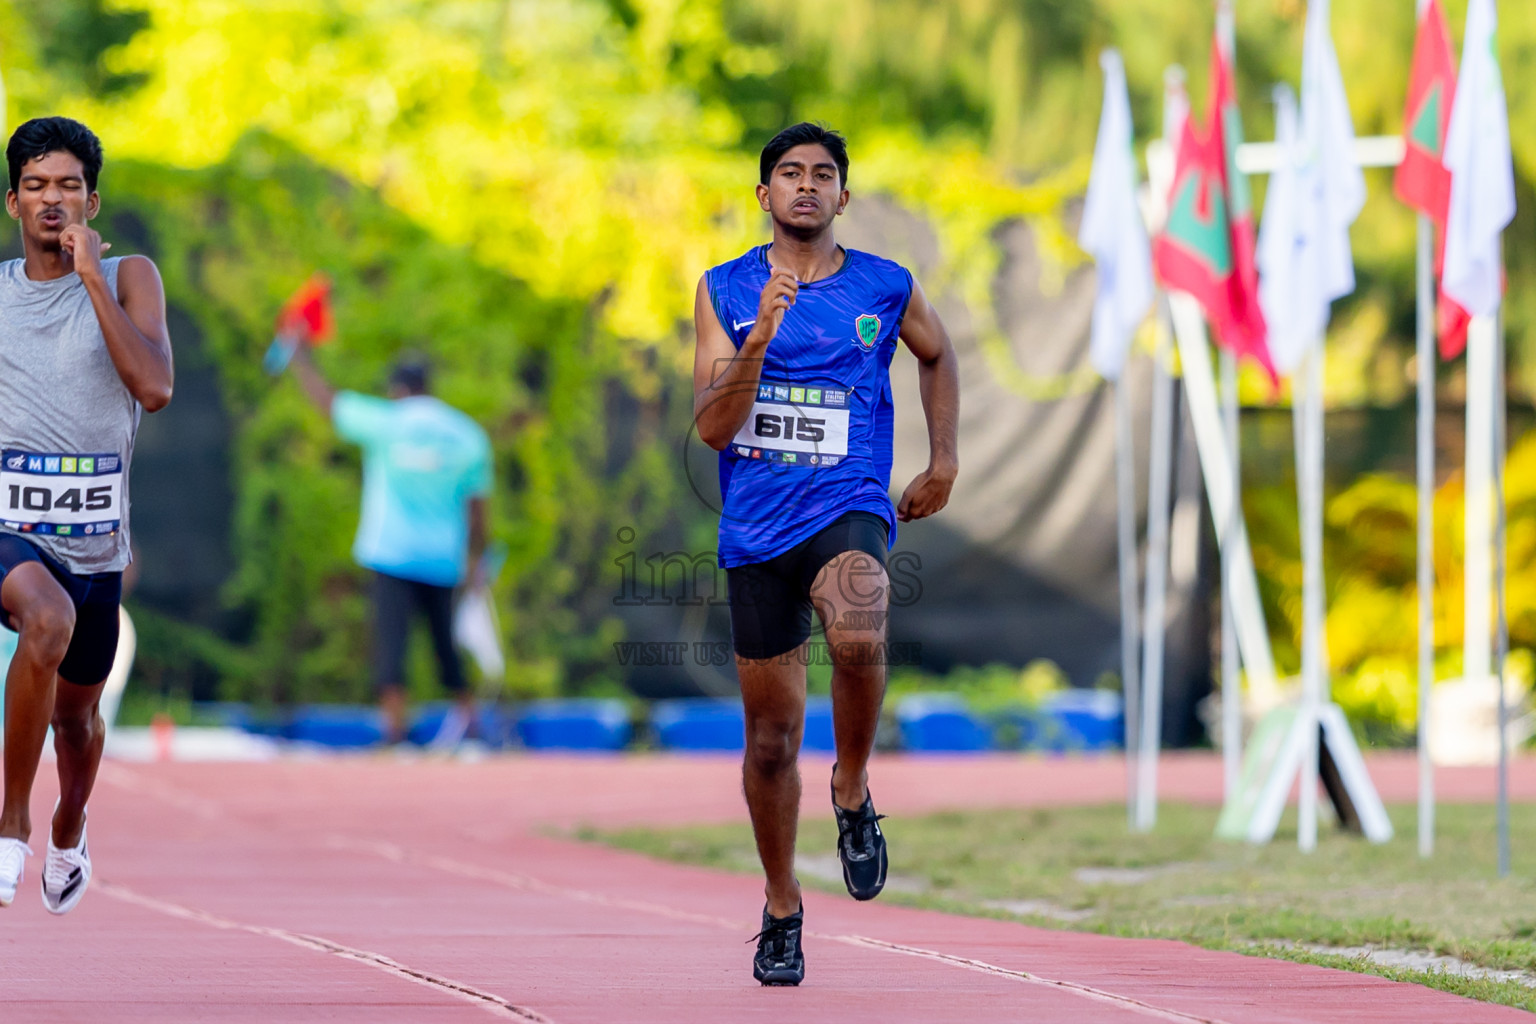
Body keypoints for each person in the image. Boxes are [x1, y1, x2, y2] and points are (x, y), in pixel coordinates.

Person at [692, 122, 960, 985]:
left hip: (846, 503)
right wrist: (761, 336)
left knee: (856, 631)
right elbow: (711, 428)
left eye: (822, 175)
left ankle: (851, 788)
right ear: (763, 194)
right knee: (770, 742)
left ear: (843, 196)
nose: (805, 186)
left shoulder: (885, 285)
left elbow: (937, 351)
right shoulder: (724, 288)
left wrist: (943, 459)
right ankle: (780, 905)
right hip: (756, 530)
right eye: (789, 174)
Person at [0, 117, 175, 912]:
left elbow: (154, 388)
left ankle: (68, 825)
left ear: (92, 201)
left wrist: (92, 281)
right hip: (11, 529)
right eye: (36, 185)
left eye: (68, 185)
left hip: (97, 543)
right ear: (13, 202)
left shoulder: (133, 275)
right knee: (44, 618)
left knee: (79, 722)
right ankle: (11, 826)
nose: (52, 199)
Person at [289, 348, 491, 747]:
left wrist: (300, 358)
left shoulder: (385, 422)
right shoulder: (467, 434)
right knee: (446, 647)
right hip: (443, 558)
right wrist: (477, 560)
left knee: (390, 645)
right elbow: (478, 511)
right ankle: (470, 725)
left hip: (392, 554)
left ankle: (394, 732)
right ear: (429, 386)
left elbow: (328, 403)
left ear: (398, 389)